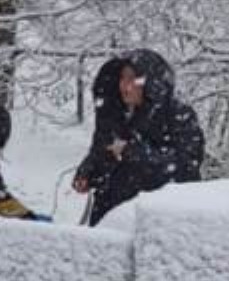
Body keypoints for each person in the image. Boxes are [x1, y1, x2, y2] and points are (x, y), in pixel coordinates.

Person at [73, 49, 204, 226]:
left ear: (152, 82)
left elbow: (185, 168)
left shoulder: (177, 116)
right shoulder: (115, 114)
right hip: (109, 217)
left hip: (155, 221)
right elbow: (102, 150)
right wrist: (88, 172)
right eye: (122, 78)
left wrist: (134, 152)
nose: (125, 86)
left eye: (133, 79)